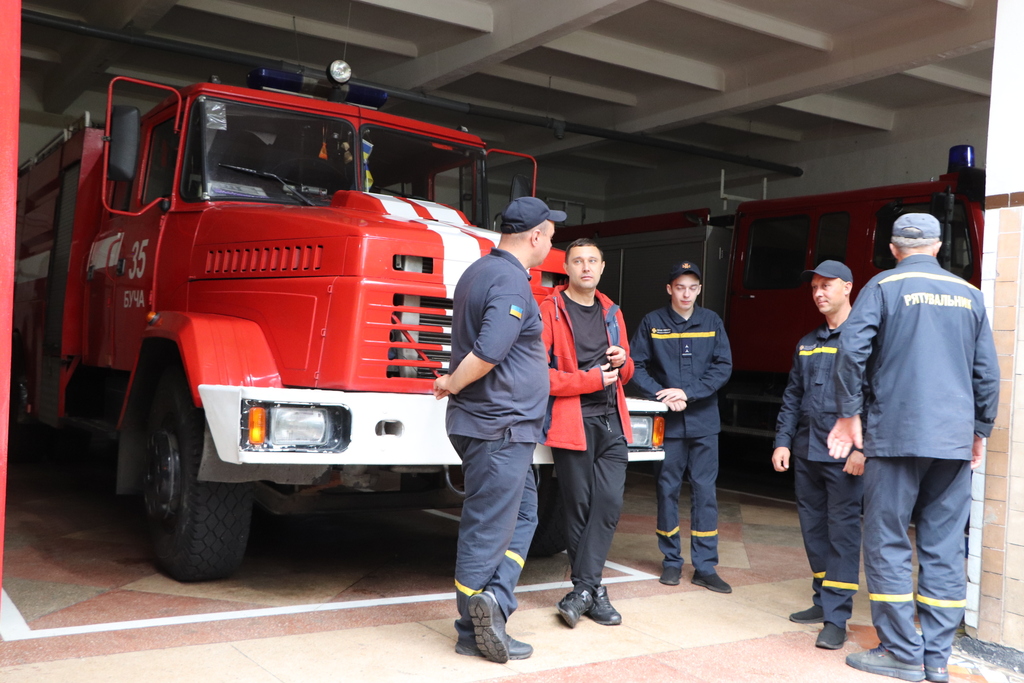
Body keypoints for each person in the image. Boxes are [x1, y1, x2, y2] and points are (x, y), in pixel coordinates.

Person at [827, 214, 999, 683]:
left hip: (896, 434)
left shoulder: (882, 288)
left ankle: (903, 651)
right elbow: (987, 370)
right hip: (952, 440)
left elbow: (851, 352)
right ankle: (937, 658)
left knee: (887, 541)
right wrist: (979, 429)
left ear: (893, 248)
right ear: (940, 246)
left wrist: (848, 412)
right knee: (944, 546)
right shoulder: (970, 295)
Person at [433, 196, 563, 663]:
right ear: (535, 237)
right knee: (487, 529)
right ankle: (473, 629)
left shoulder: (477, 271)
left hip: (501, 429)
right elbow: (489, 351)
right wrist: (450, 382)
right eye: (551, 234)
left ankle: (494, 601)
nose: (552, 242)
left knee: (524, 516)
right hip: (499, 428)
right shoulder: (510, 281)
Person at [540, 238, 634, 628]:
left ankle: (583, 591)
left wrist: (623, 360)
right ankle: (592, 591)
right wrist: (589, 379)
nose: (585, 267)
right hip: (572, 422)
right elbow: (538, 376)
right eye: (578, 261)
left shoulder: (613, 312)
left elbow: (627, 374)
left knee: (608, 504)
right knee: (578, 508)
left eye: (592, 261)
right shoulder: (550, 309)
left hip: (612, 421)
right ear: (567, 267)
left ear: (602, 267)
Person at [772, 260, 865, 650]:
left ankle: (837, 618)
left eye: (826, 286)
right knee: (813, 532)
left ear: (847, 288)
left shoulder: (862, 340)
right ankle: (822, 598)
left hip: (844, 456)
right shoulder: (807, 342)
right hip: (807, 453)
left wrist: (863, 448)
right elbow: (793, 395)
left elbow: (877, 400)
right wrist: (782, 440)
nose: (819, 293)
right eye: (814, 288)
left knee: (842, 534)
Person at [629, 261, 733, 593]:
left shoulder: (712, 322)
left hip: (704, 423)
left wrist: (689, 392)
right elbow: (635, 366)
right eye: (680, 287)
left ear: (699, 290)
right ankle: (671, 562)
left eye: (692, 287)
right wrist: (662, 396)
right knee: (667, 490)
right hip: (670, 424)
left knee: (705, 493)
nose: (686, 293)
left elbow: (723, 366)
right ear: (669, 289)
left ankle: (704, 567)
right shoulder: (652, 323)